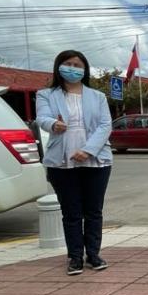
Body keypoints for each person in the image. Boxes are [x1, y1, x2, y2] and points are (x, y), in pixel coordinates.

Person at [35, 50, 113, 276]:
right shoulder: (46, 94)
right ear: (58, 67)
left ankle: (94, 254)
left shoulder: (97, 96)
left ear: (84, 69)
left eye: (77, 64)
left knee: (93, 211)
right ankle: (75, 257)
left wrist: (88, 150)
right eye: (68, 64)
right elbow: (42, 117)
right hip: (61, 161)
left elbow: (105, 125)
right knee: (71, 212)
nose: (73, 68)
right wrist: (52, 124)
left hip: (96, 160)